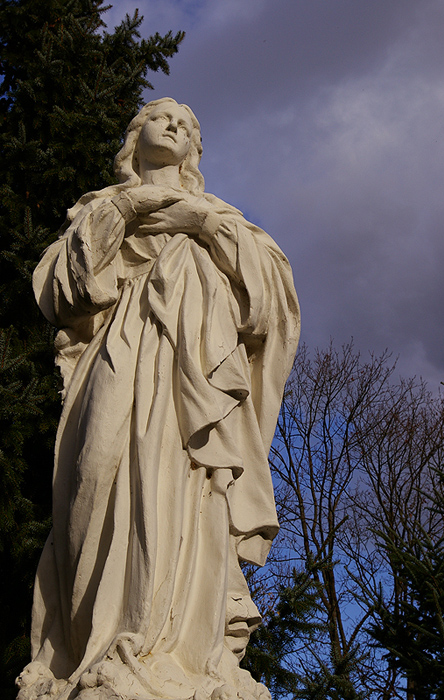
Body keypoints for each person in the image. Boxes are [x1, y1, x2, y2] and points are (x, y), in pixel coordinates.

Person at [17, 99, 300, 700]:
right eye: (161, 117)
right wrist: (127, 208)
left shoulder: (221, 218)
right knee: (96, 475)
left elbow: (272, 308)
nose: (174, 126)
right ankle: (88, 644)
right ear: (134, 135)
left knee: (180, 487)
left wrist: (205, 227)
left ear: (194, 150)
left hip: (191, 379)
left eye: (187, 125)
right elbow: (62, 291)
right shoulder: (100, 208)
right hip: (118, 355)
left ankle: (160, 648)